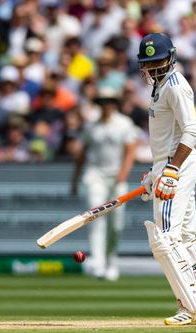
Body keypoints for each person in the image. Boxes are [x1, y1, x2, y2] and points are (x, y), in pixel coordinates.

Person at [137, 33, 196, 326]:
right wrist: (155, 171)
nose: (155, 67)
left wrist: (171, 171)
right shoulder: (159, 87)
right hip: (169, 164)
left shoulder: (175, 86)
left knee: (164, 238)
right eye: (149, 63)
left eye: (159, 61)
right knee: (186, 235)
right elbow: (167, 138)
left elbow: (191, 132)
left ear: (171, 57)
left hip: (179, 164)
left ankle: (192, 306)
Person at [71, 87, 137, 281]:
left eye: (109, 102)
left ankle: (111, 262)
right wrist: (75, 180)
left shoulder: (124, 124)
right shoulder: (91, 127)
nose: (106, 106)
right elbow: (82, 155)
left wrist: (123, 175)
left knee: (116, 225)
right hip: (95, 176)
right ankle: (98, 263)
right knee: (95, 218)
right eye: (102, 102)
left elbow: (131, 151)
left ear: (114, 104)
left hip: (117, 178)